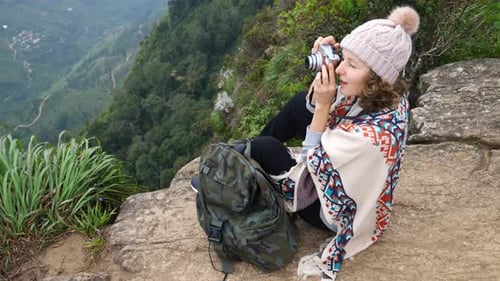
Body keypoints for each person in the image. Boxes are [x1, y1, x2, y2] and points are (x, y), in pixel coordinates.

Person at [248, 6, 420, 280]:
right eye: (344, 59)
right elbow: (341, 106)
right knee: (297, 105)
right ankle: (240, 154)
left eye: (352, 65)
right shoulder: (391, 97)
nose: (340, 69)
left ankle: (236, 161)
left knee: (264, 148)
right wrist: (326, 70)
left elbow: (310, 165)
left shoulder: (370, 138)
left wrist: (322, 106)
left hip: (334, 213)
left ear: (376, 77)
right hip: (356, 184)